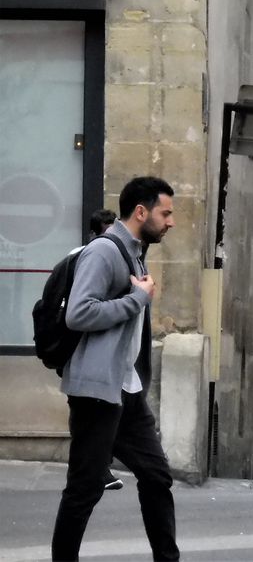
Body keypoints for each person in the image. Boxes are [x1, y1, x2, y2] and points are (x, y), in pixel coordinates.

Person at [51, 177, 178, 562]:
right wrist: (136, 299)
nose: (170, 222)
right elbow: (78, 313)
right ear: (141, 212)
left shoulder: (135, 253)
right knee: (85, 487)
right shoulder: (103, 252)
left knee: (156, 475)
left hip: (127, 389)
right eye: (165, 213)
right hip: (96, 390)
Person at [71, 209, 125, 493]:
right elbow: (78, 312)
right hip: (80, 351)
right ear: (94, 234)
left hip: (108, 360)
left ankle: (95, 468)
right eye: (106, 231)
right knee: (85, 417)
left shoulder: (119, 254)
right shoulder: (90, 255)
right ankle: (94, 470)